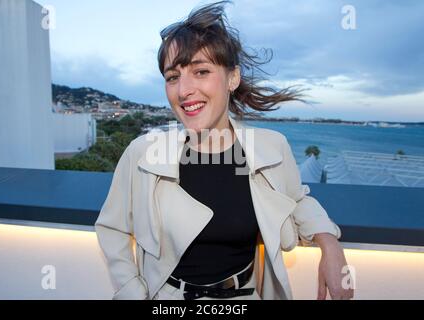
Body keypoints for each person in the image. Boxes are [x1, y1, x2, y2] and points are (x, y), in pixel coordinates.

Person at [95, 1, 354, 300]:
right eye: (172, 77)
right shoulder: (143, 153)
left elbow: (295, 200)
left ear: (232, 78)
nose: (183, 90)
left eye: (201, 71)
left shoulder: (271, 147)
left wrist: (330, 244)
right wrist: (132, 292)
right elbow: (112, 228)